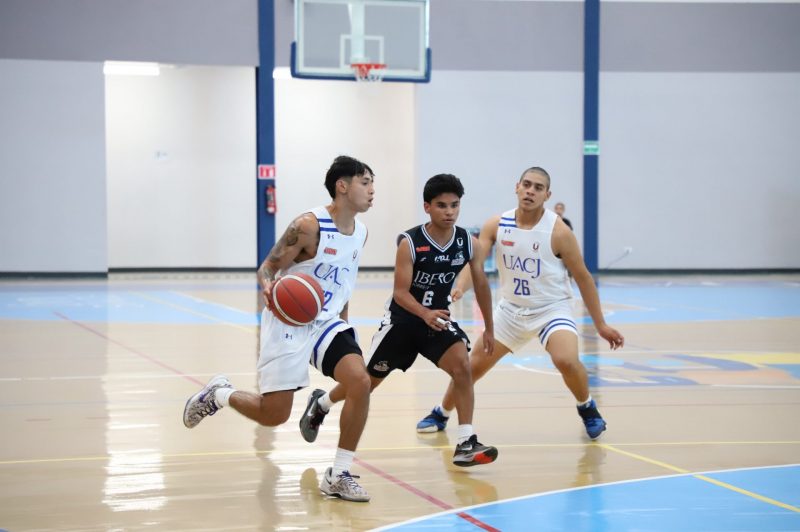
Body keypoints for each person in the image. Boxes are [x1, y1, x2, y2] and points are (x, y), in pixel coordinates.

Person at [182, 155, 375, 502]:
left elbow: (345, 283)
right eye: (365, 182)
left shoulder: (360, 233)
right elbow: (267, 268)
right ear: (342, 186)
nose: (372, 190)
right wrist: (269, 286)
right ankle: (219, 394)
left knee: (360, 381)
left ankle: (338, 474)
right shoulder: (308, 226)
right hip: (289, 319)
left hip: (328, 322)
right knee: (274, 415)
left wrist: (344, 327)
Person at [300, 174, 499, 467]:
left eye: (454, 205)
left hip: (437, 322)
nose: (449, 212)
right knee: (366, 384)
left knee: (463, 367)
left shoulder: (468, 243)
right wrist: (425, 313)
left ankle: (465, 441)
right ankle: (322, 403)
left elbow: (481, 285)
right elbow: (400, 293)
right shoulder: (410, 242)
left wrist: (490, 329)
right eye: (441, 205)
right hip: (402, 324)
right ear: (427, 207)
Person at [417, 167, 624, 440]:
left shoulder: (559, 232)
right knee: (470, 367)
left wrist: (601, 325)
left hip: (551, 308)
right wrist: (459, 287)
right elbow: (474, 262)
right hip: (511, 310)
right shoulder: (497, 224)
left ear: (547, 195)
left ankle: (587, 407)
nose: (530, 191)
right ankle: (441, 412)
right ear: (517, 187)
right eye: (526, 184)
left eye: (538, 187)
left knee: (565, 359)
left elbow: (584, 278)